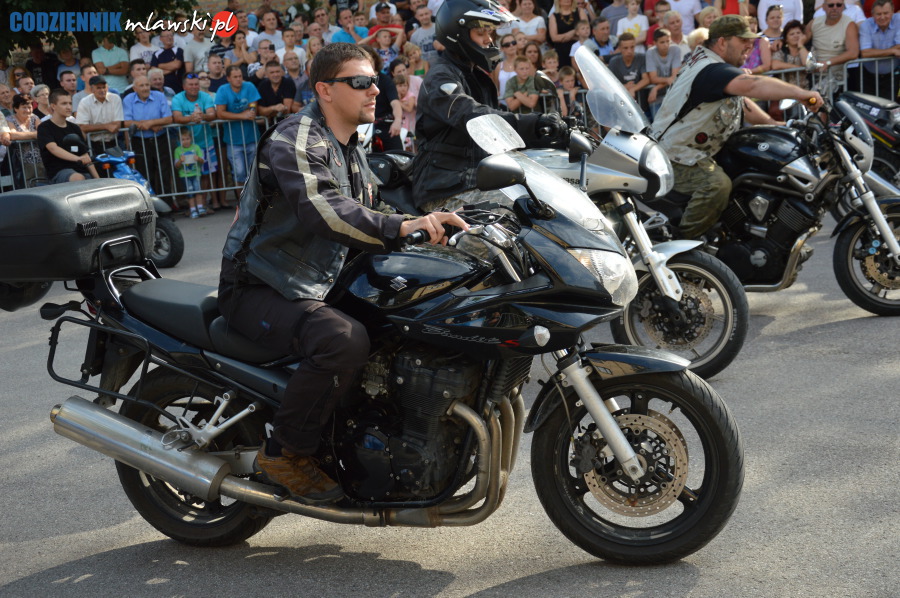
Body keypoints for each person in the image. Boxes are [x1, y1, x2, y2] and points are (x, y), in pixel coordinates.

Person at [218, 42, 466, 504]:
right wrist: (400, 227)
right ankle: (285, 453)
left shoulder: (350, 143)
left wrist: (436, 219)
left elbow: (371, 204)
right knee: (342, 340)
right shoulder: (295, 139)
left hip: (319, 279)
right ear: (325, 90)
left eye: (374, 80)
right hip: (260, 284)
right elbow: (325, 210)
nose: (375, 90)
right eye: (361, 82)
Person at [650, 15, 822, 240]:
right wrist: (802, 94)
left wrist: (777, 126)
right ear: (722, 42)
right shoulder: (711, 69)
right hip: (675, 156)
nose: (749, 45)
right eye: (743, 40)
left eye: (750, 40)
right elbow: (752, 86)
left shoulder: (714, 66)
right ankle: (685, 245)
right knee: (716, 185)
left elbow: (743, 103)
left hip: (693, 152)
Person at [411, 0, 566, 211]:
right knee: (523, 210)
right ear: (459, 34)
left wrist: (550, 136)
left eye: (490, 32)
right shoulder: (440, 78)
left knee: (549, 197)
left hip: (473, 179)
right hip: (444, 189)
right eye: (480, 33)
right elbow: (476, 117)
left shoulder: (476, 77)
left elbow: (498, 133)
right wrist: (536, 122)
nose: (489, 40)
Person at [172, 72, 225, 211]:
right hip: (185, 146)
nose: (194, 87)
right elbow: (176, 117)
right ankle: (192, 206)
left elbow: (212, 114)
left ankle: (203, 204)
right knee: (189, 176)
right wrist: (191, 118)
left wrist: (202, 116)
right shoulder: (178, 98)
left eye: (196, 84)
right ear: (184, 86)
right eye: (191, 84)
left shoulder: (205, 96)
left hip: (205, 142)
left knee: (206, 175)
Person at [123, 75, 174, 197]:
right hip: (140, 142)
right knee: (145, 174)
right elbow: (126, 122)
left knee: (163, 174)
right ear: (135, 88)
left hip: (160, 140)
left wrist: (150, 123)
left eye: (147, 85)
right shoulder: (128, 99)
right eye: (141, 86)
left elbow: (168, 118)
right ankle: (149, 204)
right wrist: (151, 125)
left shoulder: (159, 96)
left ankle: (166, 204)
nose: (145, 88)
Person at [37, 89, 99, 184]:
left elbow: (84, 154)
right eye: (64, 104)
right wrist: (78, 159)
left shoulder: (75, 128)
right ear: (53, 106)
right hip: (59, 172)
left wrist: (98, 180)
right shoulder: (44, 127)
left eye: (70, 103)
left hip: (81, 170)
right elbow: (53, 148)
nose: (69, 107)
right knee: (78, 178)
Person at [216, 65, 261, 185]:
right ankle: (241, 197)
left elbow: (253, 108)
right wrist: (242, 115)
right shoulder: (223, 89)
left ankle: (253, 197)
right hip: (233, 140)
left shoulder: (249, 86)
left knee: (254, 172)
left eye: (240, 76)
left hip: (252, 137)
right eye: (235, 77)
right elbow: (220, 113)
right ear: (228, 78)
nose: (238, 79)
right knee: (239, 172)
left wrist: (250, 112)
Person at [805, 0, 859, 92]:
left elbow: (853, 53)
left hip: (836, 77)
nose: (835, 8)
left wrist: (828, 63)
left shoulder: (849, 25)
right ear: (823, 7)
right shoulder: (814, 23)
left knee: (816, 96)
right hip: (813, 74)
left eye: (839, 5)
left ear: (843, 7)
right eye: (831, 5)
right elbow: (799, 40)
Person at [858, 0, 900, 99]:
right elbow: (865, 53)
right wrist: (892, 51)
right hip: (868, 76)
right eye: (878, 14)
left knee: (890, 106)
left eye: (886, 13)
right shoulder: (866, 25)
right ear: (872, 15)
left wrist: (875, 52)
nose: (882, 17)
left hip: (892, 76)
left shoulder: (898, 20)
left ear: (892, 12)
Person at [75, 75, 124, 155]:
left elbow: (116, 125)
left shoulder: (115, 98)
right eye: (98, 88)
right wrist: (106, 126)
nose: (102, 90)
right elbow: (83, 127)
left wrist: (93, 127)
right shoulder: (85, 102)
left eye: (104, 87)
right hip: (94, 145)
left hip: (114, 143)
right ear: (92, 89)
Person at [6, 94, 45, 187]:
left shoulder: (34, 117)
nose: (27, 110)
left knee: (43, 183)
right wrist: (35, 135)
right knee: (28, 186)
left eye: (29, 107)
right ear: (16, 108)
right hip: (22, 162)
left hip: (40, 159)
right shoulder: (10, 119)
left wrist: (23, 136)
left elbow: (44, 133)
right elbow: (13, 135)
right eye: (24, 107)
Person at [646, 27, 682, 116]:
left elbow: (674, 78)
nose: (666, 45)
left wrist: (656, 88)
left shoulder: (676, 49)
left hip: (673, 93)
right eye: (662, 42)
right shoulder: (650, 52)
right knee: (657, 121)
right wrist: (667, 80)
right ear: (655, 43)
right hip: (657, 97)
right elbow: (653, 78)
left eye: (668, 41)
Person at [173, 128, 207, 218]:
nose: (186, 141)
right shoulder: (177, 150)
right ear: (179, 141)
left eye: (187, 139)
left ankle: (200, 208)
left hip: (196, 174)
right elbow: (176, 165)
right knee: (190, 193)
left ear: (191, 138)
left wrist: (198, 158)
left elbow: (203, 160)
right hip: (184, 175)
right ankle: (193, 210)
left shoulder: (196, 147)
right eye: (183, 139)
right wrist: (180, 161)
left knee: (198, 191)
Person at [608, 32, 650, 102]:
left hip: (642, 102)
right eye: (625, 48)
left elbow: (646, 79)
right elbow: (609, 83)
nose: (629, 51)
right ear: (619, 48)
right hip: (620, 102)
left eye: (632, 47)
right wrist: (625, 87)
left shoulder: (642, 58)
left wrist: (632, 89)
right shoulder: (614, 62)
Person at [550, 0, 590, 67]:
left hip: (579, 48)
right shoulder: (553, 16)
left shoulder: (580, 11)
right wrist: (571, 34)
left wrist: (572, 32)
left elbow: (586, 29)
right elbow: (554, 37)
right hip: (562, 51)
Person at [771, 19, 809, 88]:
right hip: (785, 91)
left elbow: (808, 64)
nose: (796, 36)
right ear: (786, 39)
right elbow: (775, 65)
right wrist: (798, 68)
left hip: (804, 90)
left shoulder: (808, 49)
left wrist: (800, 45)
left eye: (798, 33)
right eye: (792, 34)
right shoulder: (781, 51)